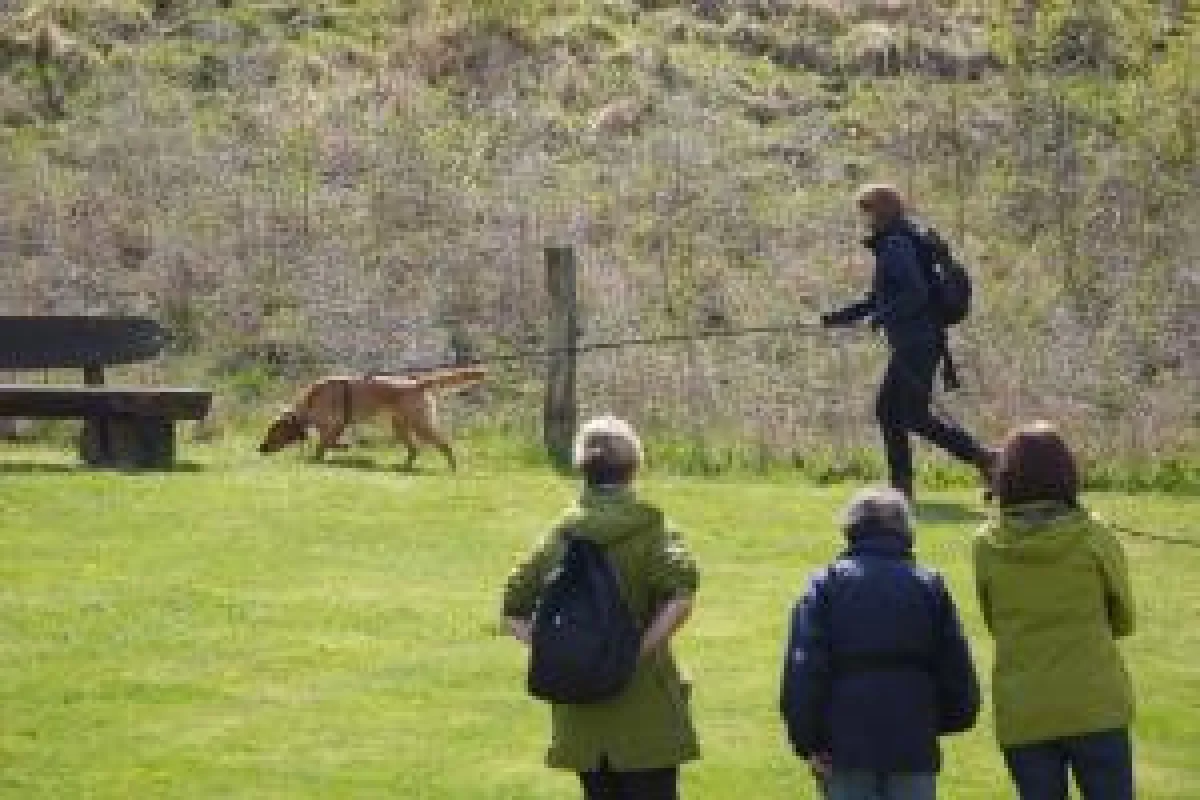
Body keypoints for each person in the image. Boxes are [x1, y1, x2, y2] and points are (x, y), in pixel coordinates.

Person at [502, 415, 700, 799]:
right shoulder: (652, 530)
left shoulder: (560, 535)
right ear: (636, 465)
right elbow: (681, 595)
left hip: (581, 717)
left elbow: (512, 606)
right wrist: (634, 652)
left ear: (583, 467)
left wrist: (563, 654)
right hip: (645, 716)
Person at [780, 487, 980, 800]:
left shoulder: (826, 584)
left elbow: (805, 667)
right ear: (904, 529)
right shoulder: (928, 583)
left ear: (851, 528)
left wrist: (808, 741)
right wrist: (942, 720)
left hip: (845, 746)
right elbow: (955, 667)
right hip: (912, 741)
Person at [973, 421, 1136, 799]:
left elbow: (993, 619)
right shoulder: (1093, 535)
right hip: (1095, 703)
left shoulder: (987, 544)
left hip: (1024, 707)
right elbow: (1124, 616)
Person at [821, 183, 994, 502]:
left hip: (917, 342)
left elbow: (915, 294)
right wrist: (835, 318)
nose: (866, 220)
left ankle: (983, 460)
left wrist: (883, 316)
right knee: (894, 412)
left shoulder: (896, 245)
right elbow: (879, 298)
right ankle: (907, 485)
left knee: (906, 414)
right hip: (917, 341)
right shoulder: (896, 242)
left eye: (869, 211)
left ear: (882, 212)